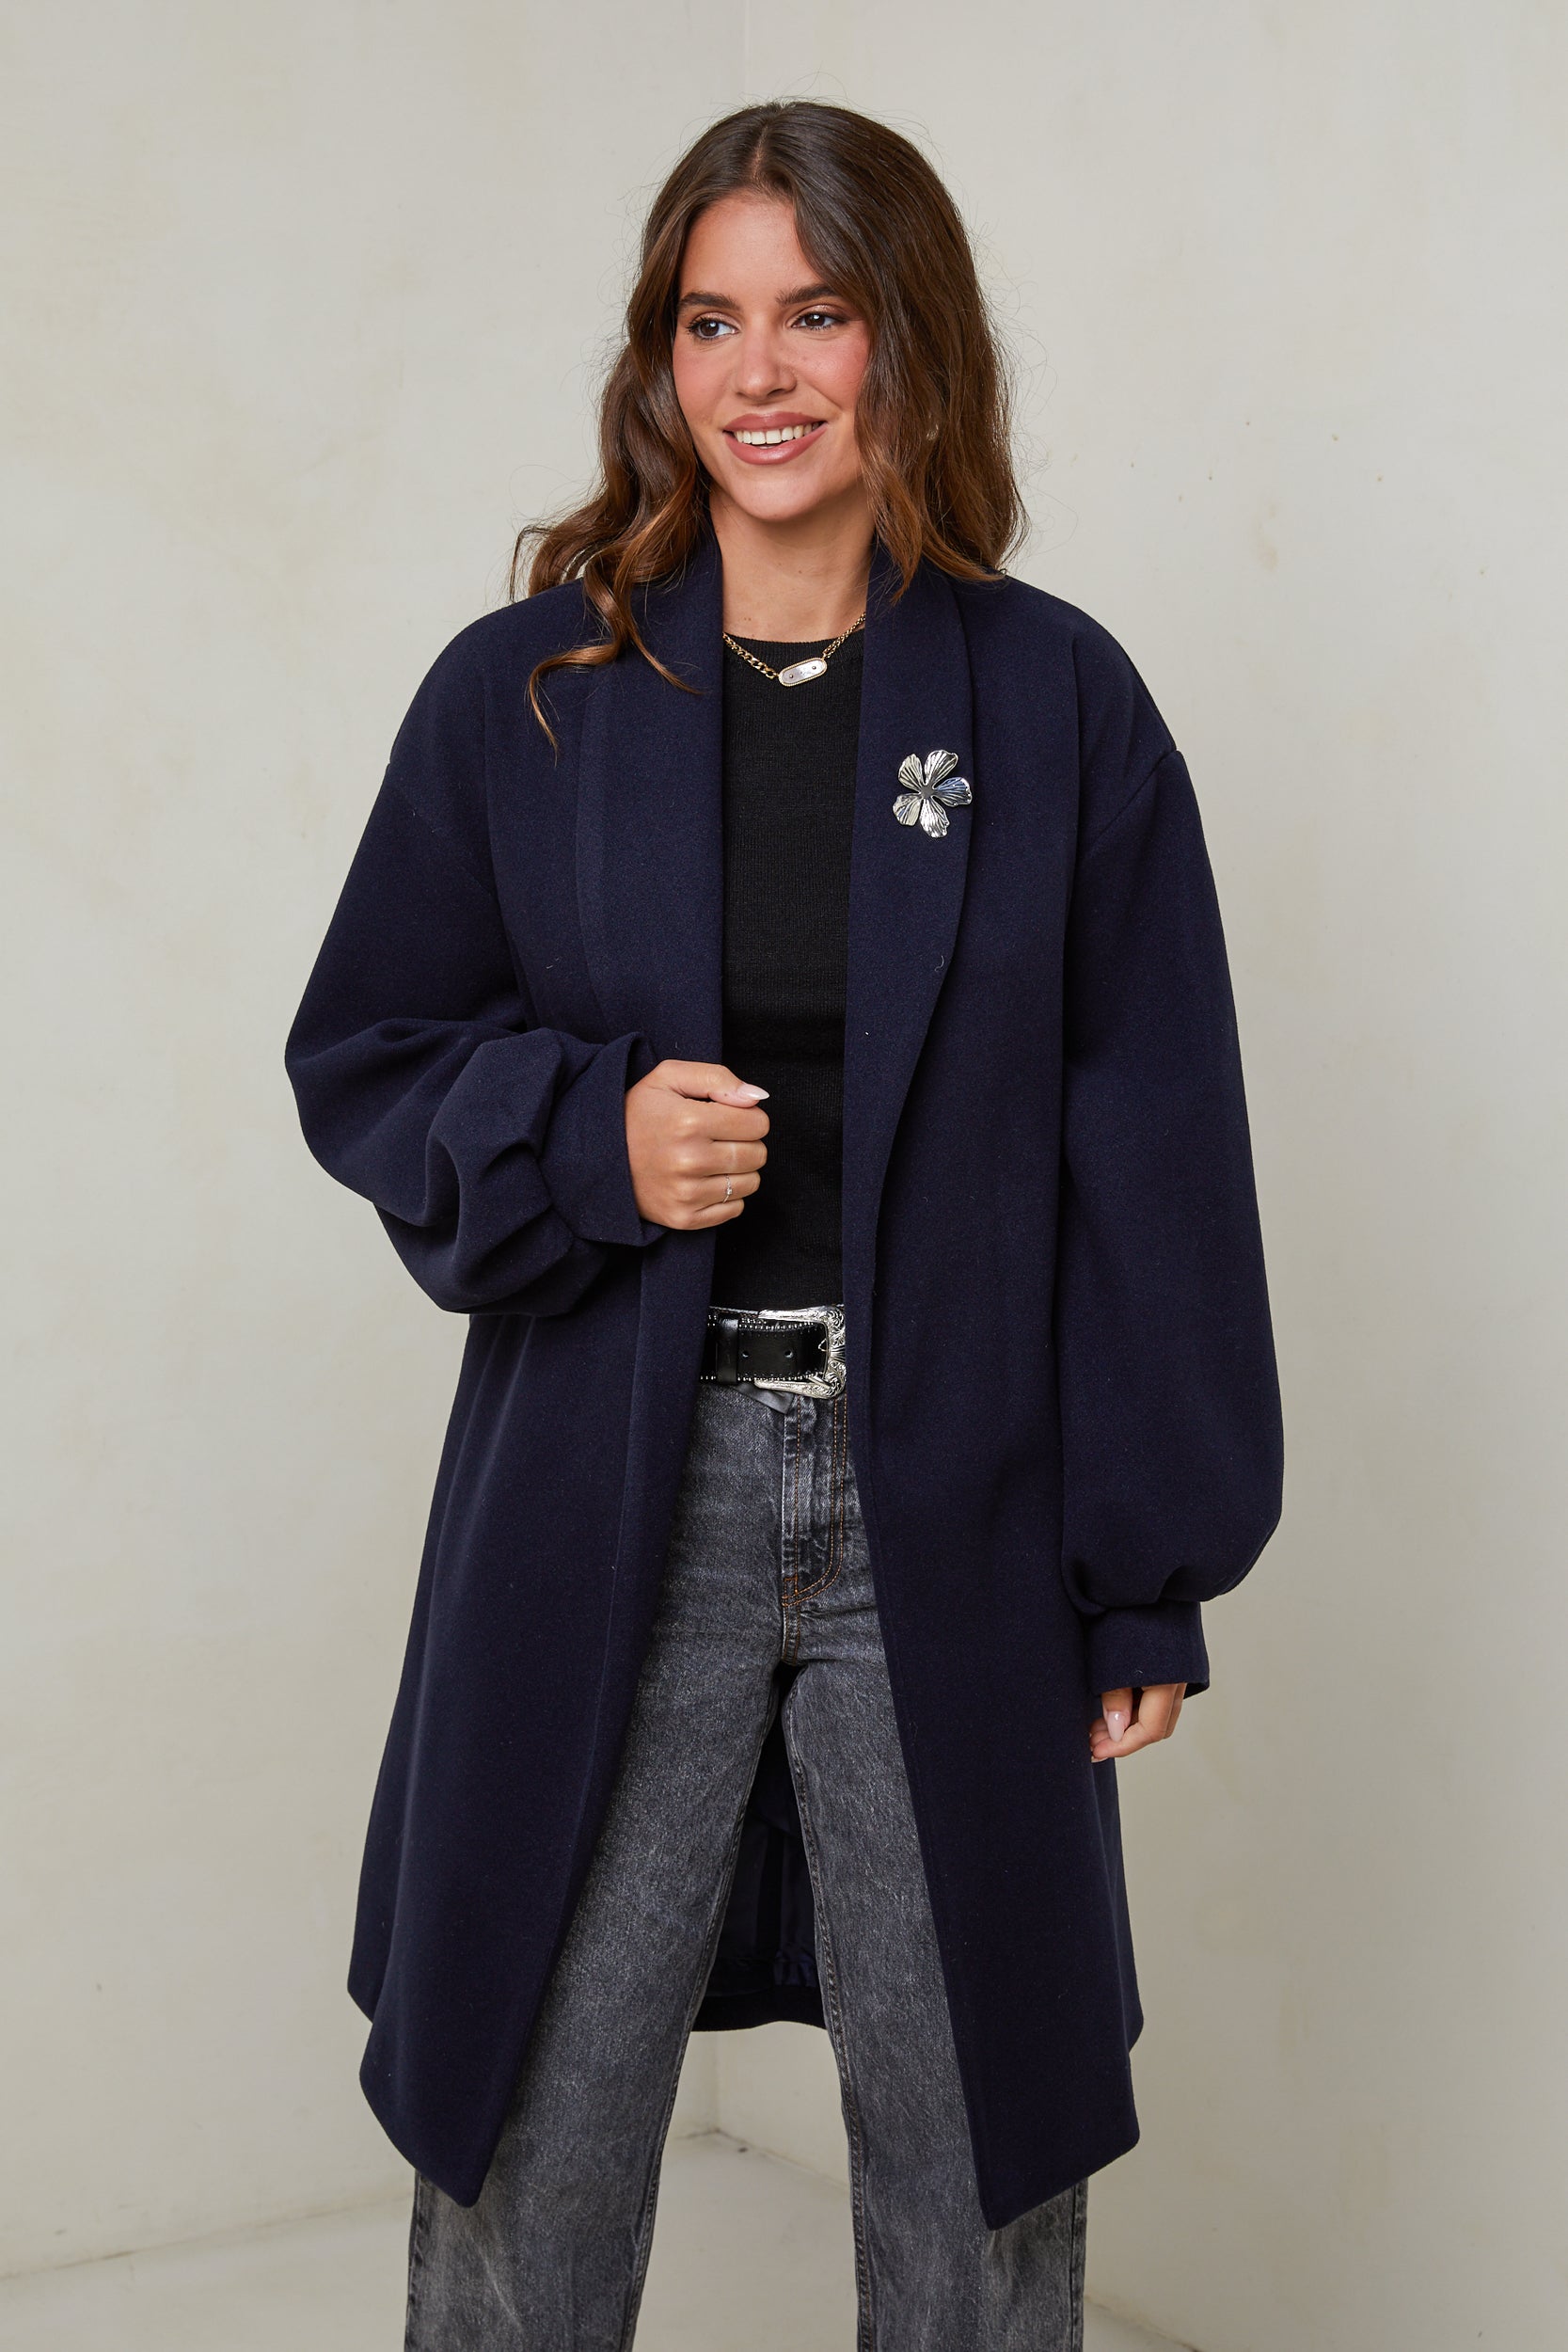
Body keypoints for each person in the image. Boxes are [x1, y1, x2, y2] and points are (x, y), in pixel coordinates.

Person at [285, 97, 1282, 2352]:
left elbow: (1156, 1151)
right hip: (615, 1488)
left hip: (962, 1497)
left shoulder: (1058, 704)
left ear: (906, 339)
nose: (760, 371)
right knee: (534, 2114)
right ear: (661, 359)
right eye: (710, 319)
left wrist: (1146, 1557)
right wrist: (588, 1137)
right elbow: (368, 1047)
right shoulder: (530, 694)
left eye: (815, 313)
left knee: (976, 2138)